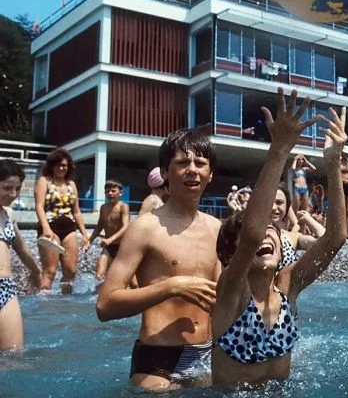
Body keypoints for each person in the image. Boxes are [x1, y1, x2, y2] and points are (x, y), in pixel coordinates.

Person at [211, 90, 347, 387]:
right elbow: (252, 235)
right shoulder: (231, 289)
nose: (265, 234)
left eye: (271, 230)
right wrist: (280, 149)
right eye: (258, 230)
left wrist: (333, 163)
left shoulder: (288, 284)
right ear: (231, 254)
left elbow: (336, 238)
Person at [96, 129, 221, 391]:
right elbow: (105, 306)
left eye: (200, 163)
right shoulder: (145, 227)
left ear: (210, 173)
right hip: (158, 359)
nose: (192, 170)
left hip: (208, 353)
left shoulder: (217, 228)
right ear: (165, 172)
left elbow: (225, 299)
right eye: (182, 162)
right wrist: (171, 287)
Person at [34, 148, 90, 294]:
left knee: (71, 271)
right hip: (49, 228)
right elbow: (39, 206)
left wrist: (84, 234)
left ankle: (65, 300)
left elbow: (76, 211)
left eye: (64, 165)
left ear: (68, 166)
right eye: (58, 165)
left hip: (69, 229)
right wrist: (46, 229)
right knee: (50, 271)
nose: (61, 168)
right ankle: (43, 300)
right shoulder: (44, 181)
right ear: (52, 166)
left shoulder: (71, 184)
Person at [0, 159, 41, 350]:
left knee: (13, 354)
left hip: (6, 288)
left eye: (17, 189)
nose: (13, 194)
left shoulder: (8, 214)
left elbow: (22, 249)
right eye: (7, 188)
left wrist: (37, 271)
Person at [271, 183, 325, 270]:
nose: (273, 207)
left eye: (279, 202)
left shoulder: (292, 237)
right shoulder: (250, 234)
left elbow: (326, 242)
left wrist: (308, 219)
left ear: (287, 207)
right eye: (269, 202)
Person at [90, 180, 130, 282]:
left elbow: (126, 226)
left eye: (113, 191)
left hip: (123, 247)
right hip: (108, 247)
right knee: (99, 276)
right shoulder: (103, 208)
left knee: (132, 281)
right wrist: (89, 241)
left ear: (120, 193)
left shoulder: (123, 207)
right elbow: (99, 227)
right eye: (107, 191)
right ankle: (98, 292)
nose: (110, 193)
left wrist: (110, 239)